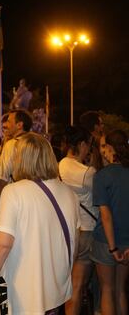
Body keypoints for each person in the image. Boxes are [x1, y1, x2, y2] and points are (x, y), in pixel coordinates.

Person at [0, 132, 80, 314]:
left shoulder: (14, 192)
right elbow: (74, 247)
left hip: (22, 295)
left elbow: (3, 244)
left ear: (22, 159)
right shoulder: (70, 195)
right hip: (54, 295)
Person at [59, 126, 98, 314]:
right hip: (87, 231)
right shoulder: (87, 172)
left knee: (69, 286)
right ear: (82, 144)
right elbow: (102, 197)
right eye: (88, 146)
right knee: (78, 285)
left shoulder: (58, 167)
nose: (89, 150)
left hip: (66, 231)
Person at [90, 130, 129, 315]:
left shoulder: (102, 176)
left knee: (107, 290)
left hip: (106, 241)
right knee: (121, 290)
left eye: (105, 145)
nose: (103, 149)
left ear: (111, 148)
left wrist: (113, 249)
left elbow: (106, 215)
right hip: (127, 241)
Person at [0, 109, 32, 224]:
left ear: (19, 125)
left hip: (15, 201)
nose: (4, 124)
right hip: (35, 199)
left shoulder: (12, 144)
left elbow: (2, 180)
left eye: (8, 121)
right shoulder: (38, 143)